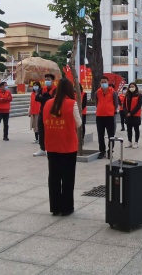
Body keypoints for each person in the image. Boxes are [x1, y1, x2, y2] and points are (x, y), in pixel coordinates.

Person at [43, 78, 82, 216]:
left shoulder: (48, 103)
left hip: (52, 145)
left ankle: (55, 207)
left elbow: (44, 121)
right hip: (67, 145)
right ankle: (66, 208)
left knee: (54, 177)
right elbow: (78, 123)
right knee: (67, 177)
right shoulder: (72, 104)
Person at [95, 76, 119, 159]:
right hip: (99, 116)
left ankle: (110, 151)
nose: (103, 83)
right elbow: (96, 103)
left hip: (110, 116)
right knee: (100, 135)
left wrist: (112, 111)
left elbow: (116, 103)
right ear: (100, 83)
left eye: (105, 82)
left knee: (111, 135)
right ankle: (102, 151)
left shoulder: (113, 92)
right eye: (102, 82)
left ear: (108, 82)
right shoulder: (97, 92)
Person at [34, 74, 56, 157]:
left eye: (48, 79)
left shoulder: (56, 89)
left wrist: (43, 97)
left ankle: (51, 148)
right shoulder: (42, 88)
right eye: (46, 79)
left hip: (52, 114)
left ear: (53, 80)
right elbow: (37, 98)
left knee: (51, 132)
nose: (47, 81)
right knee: (41, 131)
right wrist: (46, 98)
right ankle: (42, 149)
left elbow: (53, 99)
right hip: (42, 112)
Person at [124, 83, 142, 148]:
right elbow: (124, 105)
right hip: (128, 115)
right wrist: (126, 113)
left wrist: (131, 113)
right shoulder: (127, 95)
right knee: (129, 129)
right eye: (130, 87)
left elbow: (139, 105)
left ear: (135, 87)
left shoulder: (139, 95)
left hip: (135, 115)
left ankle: (136, 142)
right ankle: (129, 142)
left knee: (136, 129)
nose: (131, 88)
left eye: (133, 86)